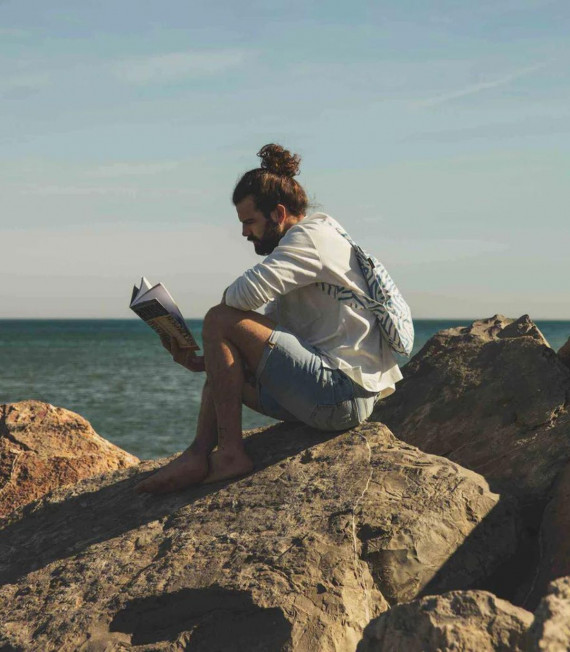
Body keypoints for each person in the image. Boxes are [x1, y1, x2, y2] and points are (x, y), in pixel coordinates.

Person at [135, 144, 404, 494]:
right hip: (329, 394)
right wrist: (207, 360)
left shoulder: (310, 238)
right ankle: (199, 453)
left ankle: (229, 453)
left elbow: (240, 298)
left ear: (278, 213)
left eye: (249, 222)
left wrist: (219, 328)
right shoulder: (306, 246)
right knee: (224, 345)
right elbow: (263, 334)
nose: (246, 233)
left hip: (341, 394)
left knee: (219, 319)